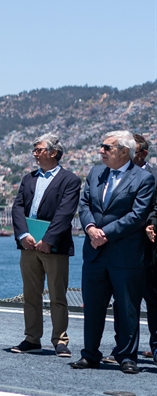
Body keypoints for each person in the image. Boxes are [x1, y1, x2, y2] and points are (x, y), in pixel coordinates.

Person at [70, 131, 154, 374]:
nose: (101, 151)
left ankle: (127, 356)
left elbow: (138, 215)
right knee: (93, 305)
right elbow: (84, 204)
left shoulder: (143, 179)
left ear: (124, 152)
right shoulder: (96, 173)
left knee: (128, 307)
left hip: (125, 253)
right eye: (101, 147)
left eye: (107, 147)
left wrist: (104, 233)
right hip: (95, 252)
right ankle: (90, 354)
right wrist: (90, 228)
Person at [7, 134, 79, 357]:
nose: (35, 153)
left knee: (58, 295)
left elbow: (65, 213)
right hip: (28, 245)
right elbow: (17, 207)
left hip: (54, 247)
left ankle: (60, 340)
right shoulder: (28, 179)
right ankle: (32, 337)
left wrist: (48, 240)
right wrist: (23, 235)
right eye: (34, 150)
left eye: (39, 150)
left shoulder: (70, 180)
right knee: (30, 294)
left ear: (54, 153)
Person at [133, 134, 155, 362]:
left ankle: (155, 346)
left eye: (134, 152)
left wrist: (150, 226)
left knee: (152, 298)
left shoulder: (154, 175)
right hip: (126, 245)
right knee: (125, 299)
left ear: (144, 154)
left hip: (150, 246)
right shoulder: (119, 174)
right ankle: (125, 348)